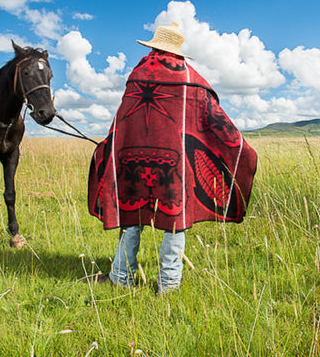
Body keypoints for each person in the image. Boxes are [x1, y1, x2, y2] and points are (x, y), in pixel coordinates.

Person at [87, 22, 257, 293]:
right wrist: (241, 150)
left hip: (132, 161)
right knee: (175, 222)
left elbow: (122, 121)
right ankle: (168, 286)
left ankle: (121, 277)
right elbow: (216, 122)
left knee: (132, 218)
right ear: (177, 50)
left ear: (154, 46)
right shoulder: (191, 80)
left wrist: (111, 145)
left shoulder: (137, 74)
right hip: (176, 164)